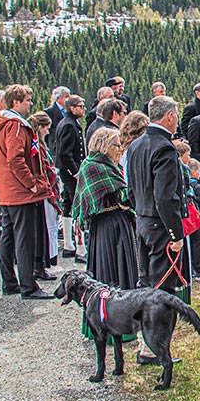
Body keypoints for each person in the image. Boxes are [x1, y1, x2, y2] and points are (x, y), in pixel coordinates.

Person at [0, 84, 55, 299]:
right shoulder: (15, 126)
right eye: (27, 100)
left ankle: (9, 282)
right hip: (20, 192)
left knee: (7, 236)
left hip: (6, 191)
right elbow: (15, 159)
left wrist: (3, 179)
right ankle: (28, 285)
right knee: (24, 239)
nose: (30, 104)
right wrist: (30, 183)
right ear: (15, 102)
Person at [71, 126, 138, 346]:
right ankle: (108, 323)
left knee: (121, 269)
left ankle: (126, 322)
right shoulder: (94, 167)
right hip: (107, 225)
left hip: (116, 222)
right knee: (110, 271)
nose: (120, 149)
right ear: (105, 146)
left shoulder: (108, 166)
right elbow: (115, 196)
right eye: (117, 145)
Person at [124, 96, 187, 297]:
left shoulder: (135, 145)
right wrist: (175, 234)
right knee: (162, 287)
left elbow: (131, 190)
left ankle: (148, 326)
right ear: (169, 116)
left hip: (143, 220)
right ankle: (160, 328)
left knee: (145, 282)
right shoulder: (165, 147)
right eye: (176, 115)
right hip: (160, 225)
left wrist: (142, 211)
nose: (177, 120)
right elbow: (165, 197)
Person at [28, 111, 60, 281]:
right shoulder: (36, 146)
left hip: (44, 191)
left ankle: (41, 264)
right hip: (42, 192)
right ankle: (38, 266)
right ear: (40, 127)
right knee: (42, 230)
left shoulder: (39, 145)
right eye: (46, 128)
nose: (48, 131)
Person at [55, 95, 86, 260]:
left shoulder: (68, 123)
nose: (84, 109)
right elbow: (64, 154)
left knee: (67, 207)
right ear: (72, 108)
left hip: (67, 173)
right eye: (81, 106)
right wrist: (76, 172)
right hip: (70, 174)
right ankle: (79, 247)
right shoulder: (68, 125)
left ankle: (68, 245)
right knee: (77, 209)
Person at [45, 86, 70, 157]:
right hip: (55, 148)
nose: (69, 99)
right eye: (66, 96)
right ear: (58, 98)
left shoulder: (69, 110)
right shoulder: (50, 111)